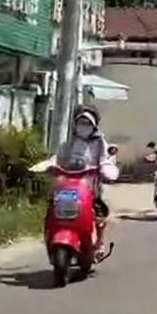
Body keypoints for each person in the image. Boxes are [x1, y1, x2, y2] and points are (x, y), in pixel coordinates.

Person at [56, 105, 119, 258]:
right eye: (80, 123)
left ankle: (99, 243)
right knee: (55, 207)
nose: (83, 127)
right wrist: (50, 167)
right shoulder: (69, 142)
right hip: (69, 186)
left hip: (90, 187)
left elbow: (106, 160)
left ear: (93, 125)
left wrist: (107, 170)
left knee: (99, 214)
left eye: (87, 123)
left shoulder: (99, 143)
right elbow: (59, 159)